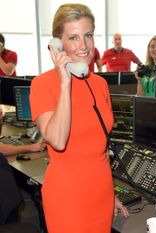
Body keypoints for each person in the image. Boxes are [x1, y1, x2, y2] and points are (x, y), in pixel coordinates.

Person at [29, 4, 128, 233]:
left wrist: (111, 193)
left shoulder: (100, 84)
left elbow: (100, 149)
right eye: (73, 37)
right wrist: (65, 83)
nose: (83, 46)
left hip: (102, 191)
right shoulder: (42, 85)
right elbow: (58, 140)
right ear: (57, 44)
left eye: (88, 35)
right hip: (68, 198)